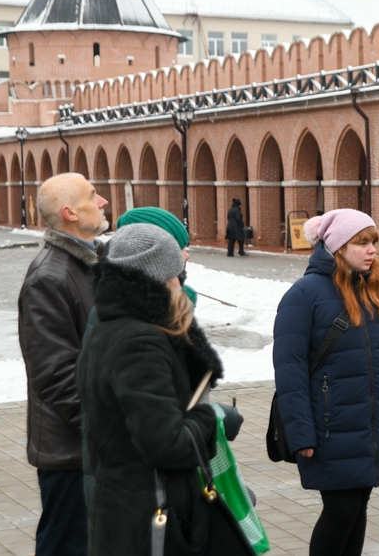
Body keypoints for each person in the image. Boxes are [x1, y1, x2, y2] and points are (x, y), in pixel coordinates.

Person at [75, 223, 248, 556]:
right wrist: (206, 417)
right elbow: (167, 444)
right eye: (177, 273)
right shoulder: (140, 341)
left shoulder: (109, 327)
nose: (182, 277)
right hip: (148, 516)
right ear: (160, 277)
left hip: (123, 509)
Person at [273, 209, 379, 556]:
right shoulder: (304, 295)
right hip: (329, 428)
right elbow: (290, 371)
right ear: (337, 246)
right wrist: (301, 432)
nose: (371, 250)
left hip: (370, 427)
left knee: (358, 508)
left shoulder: (376, 292)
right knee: (341, 510)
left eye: (374, 242)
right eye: (361, 242)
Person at [79, 206, 198, 506]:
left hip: (143, 482)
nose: (186, 256)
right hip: (141, 488)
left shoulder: (142, 315)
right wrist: (211, 420)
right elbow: (159, 428)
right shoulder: (136, 332)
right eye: (178, 248)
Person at [18, 172, 108, 556]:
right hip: (72, 451)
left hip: (91, 445)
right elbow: (55, 376)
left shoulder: (89, 262)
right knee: (67, 545)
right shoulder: (49, 277)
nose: (102, 200)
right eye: (92, 195)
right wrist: (108, 429)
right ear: (70, 212)